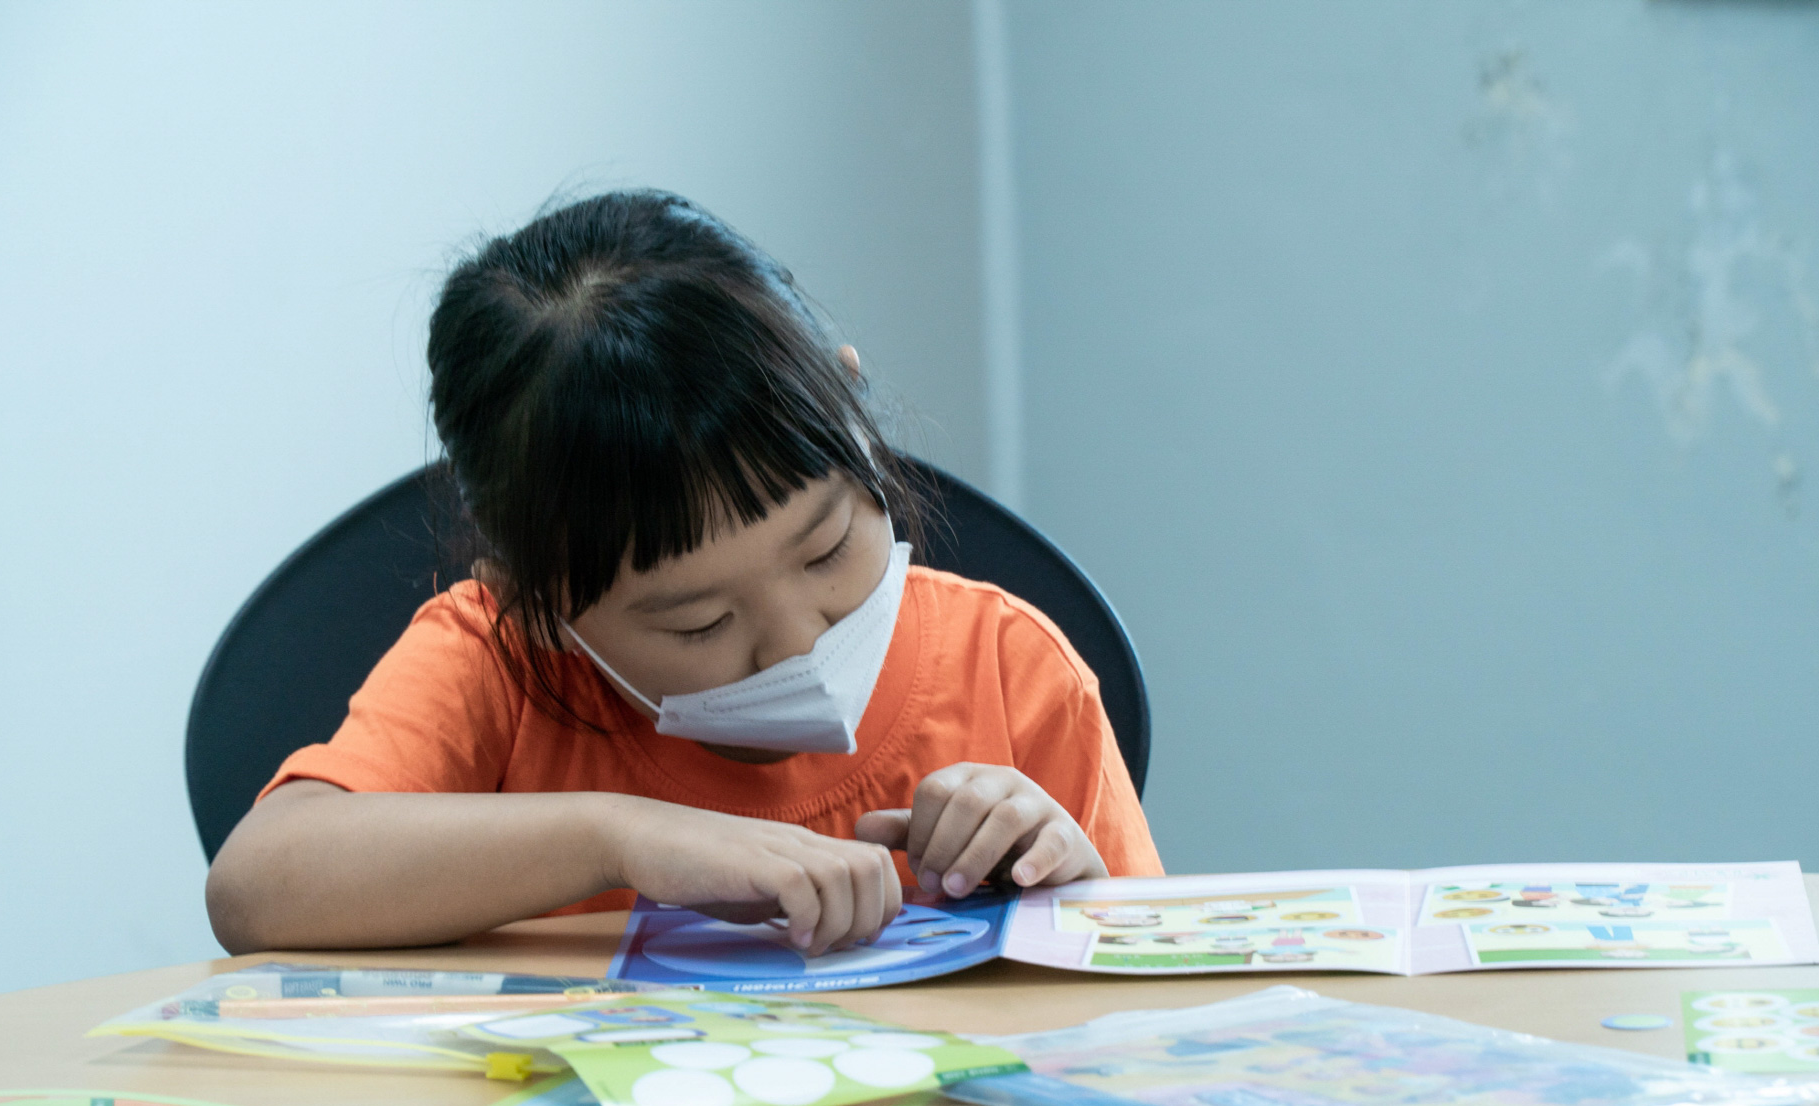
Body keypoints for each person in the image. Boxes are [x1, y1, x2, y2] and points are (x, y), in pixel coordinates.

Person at [206, 190, 1161, 957]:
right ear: (535, 608)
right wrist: (620, 837)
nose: (798, 645)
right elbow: (256, 887)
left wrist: (1066, 895)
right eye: (699, 623)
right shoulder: (499, 667)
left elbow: (1147, 1014)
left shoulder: (1010, 670)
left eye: (827, 549)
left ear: (856, 412)